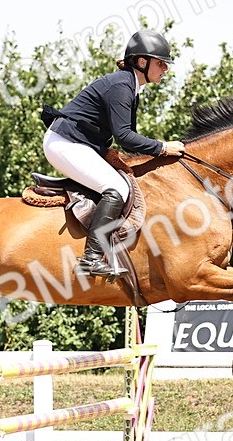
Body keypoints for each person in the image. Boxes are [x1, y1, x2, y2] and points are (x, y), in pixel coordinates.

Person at [42, 29, 186, 277]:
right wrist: (163, 147)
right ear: (142, 62)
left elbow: (128, 141)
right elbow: (125, 137)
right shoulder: (121, 86)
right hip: (65, 142)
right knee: (117, 188)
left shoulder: (129, 86)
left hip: (78, 143)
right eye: (161, 63)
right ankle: (91, 258)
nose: (166, 69)